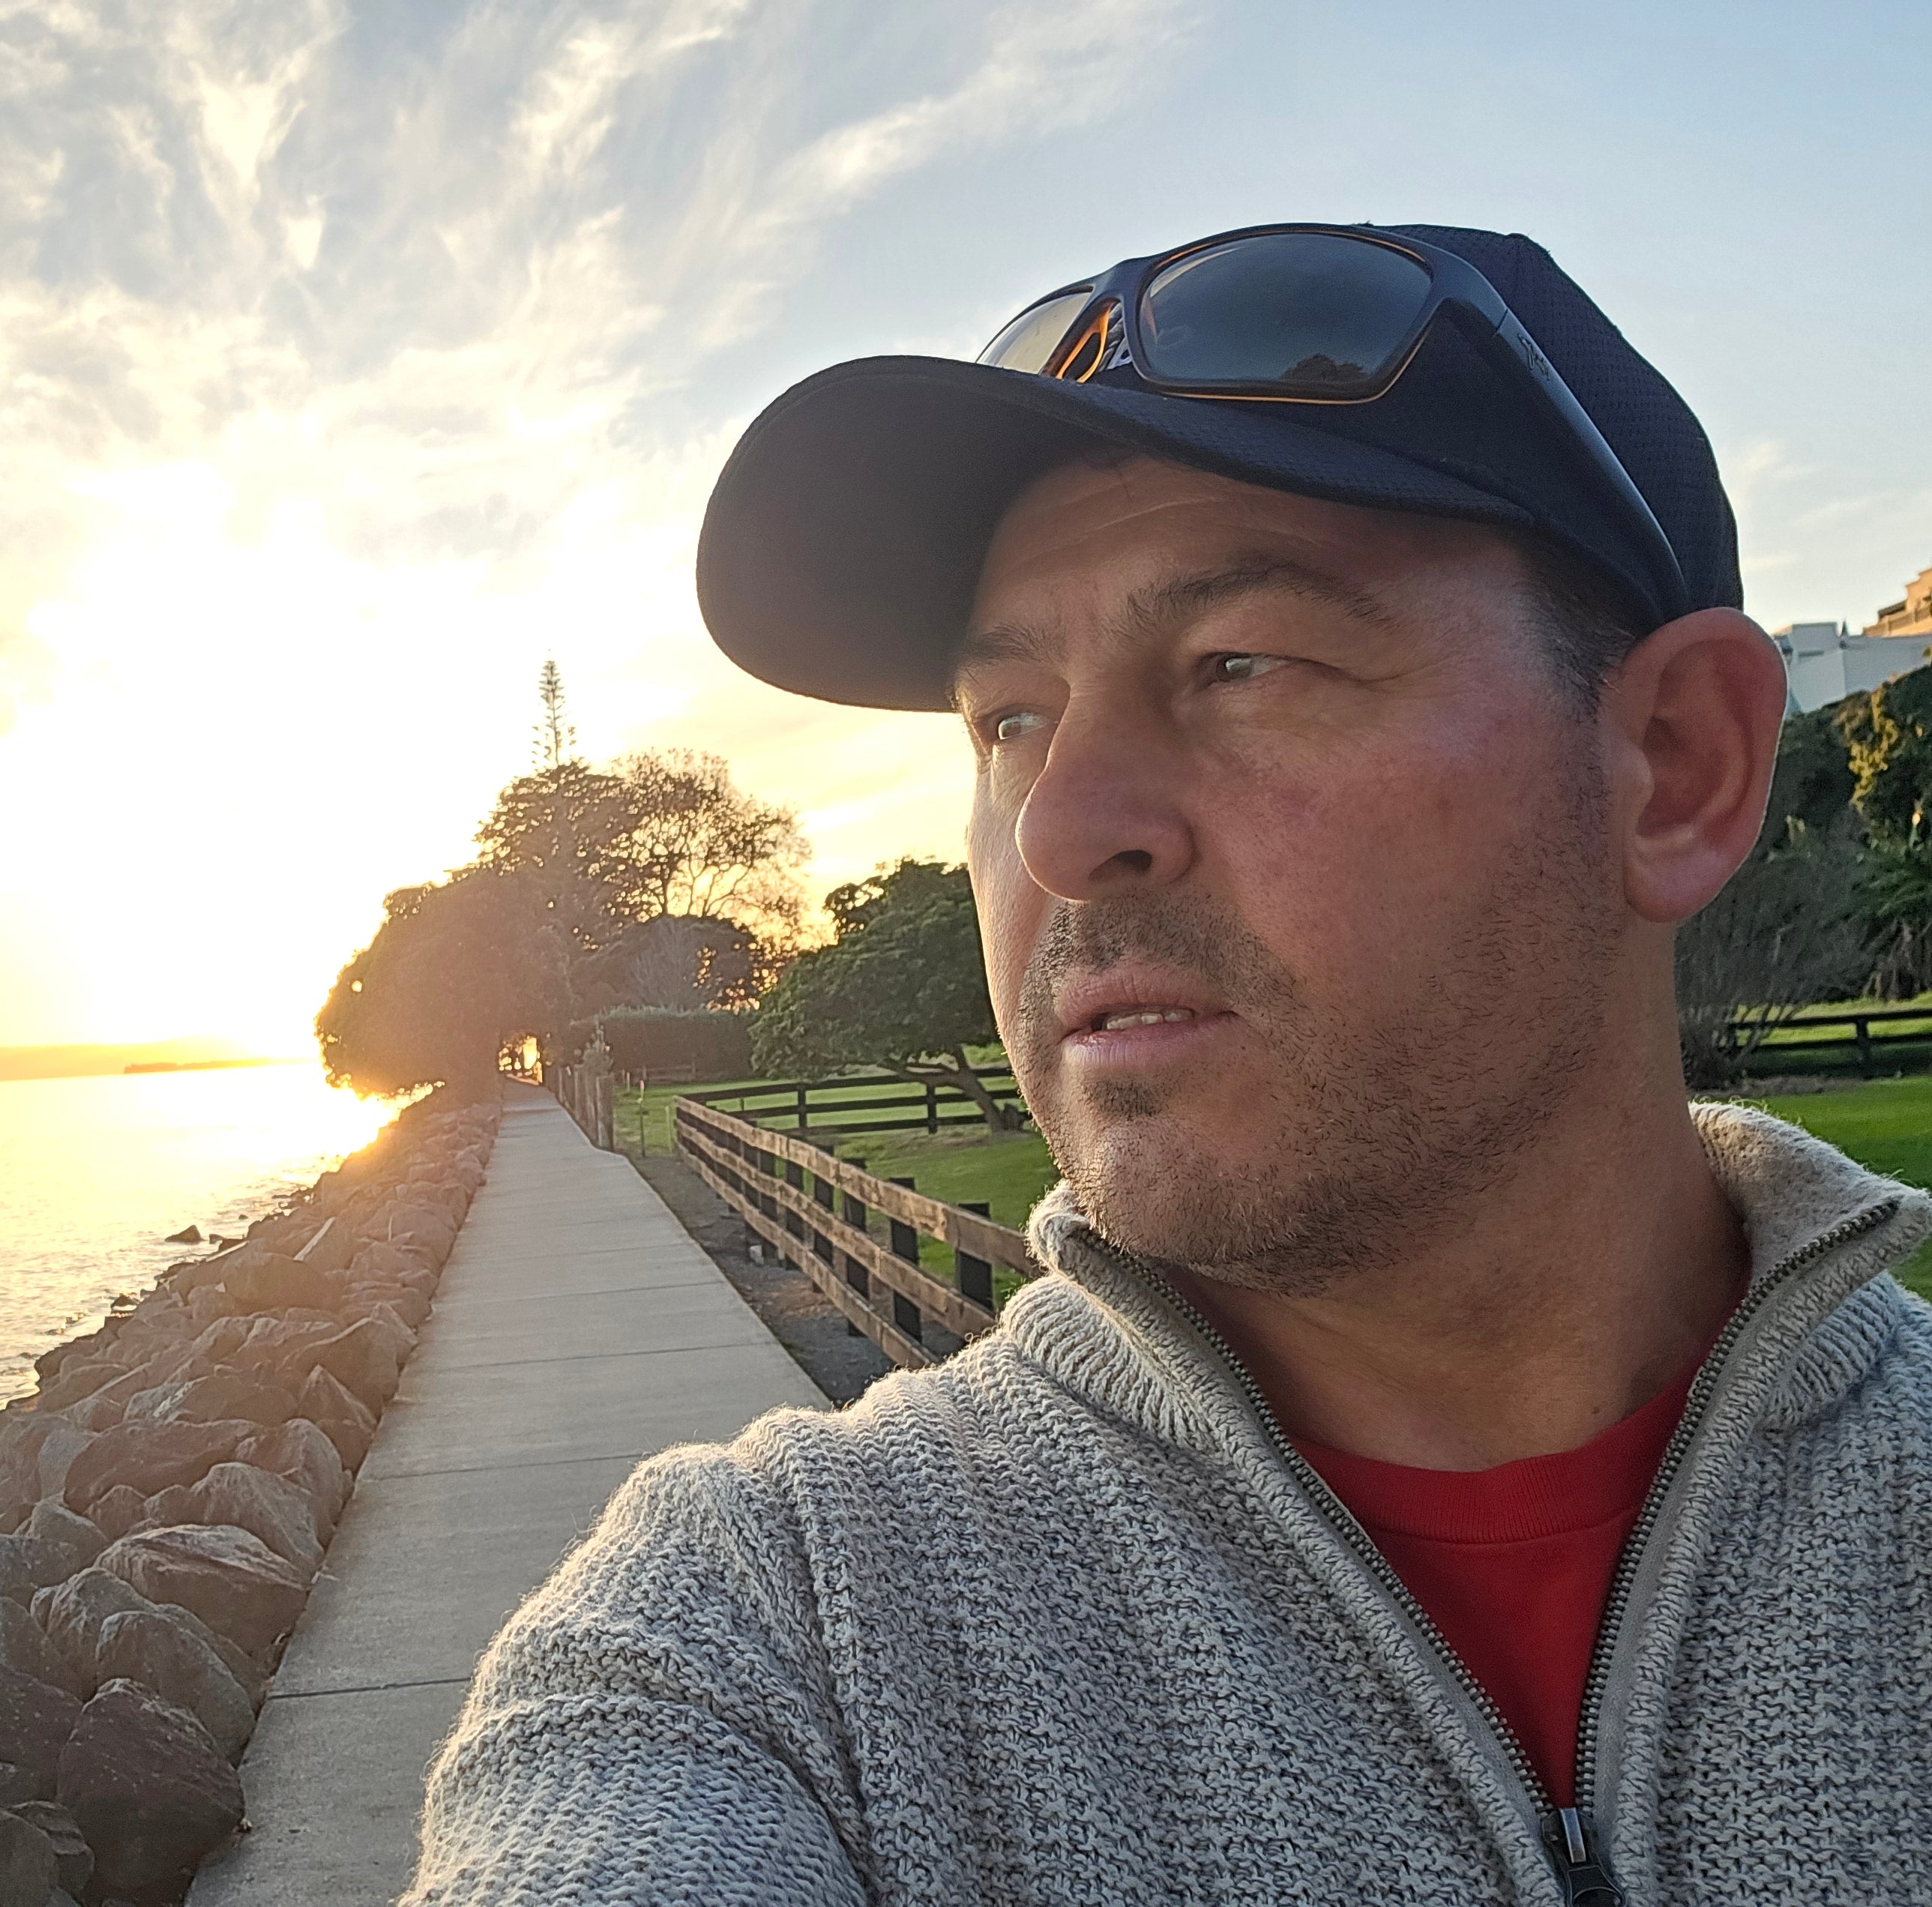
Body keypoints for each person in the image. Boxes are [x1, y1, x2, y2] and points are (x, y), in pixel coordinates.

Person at [403, 225, 1932, 1906]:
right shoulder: (767, 1635)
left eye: (1240, 666)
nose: (1060, 830)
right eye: (1008, 718)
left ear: (1676, 764)